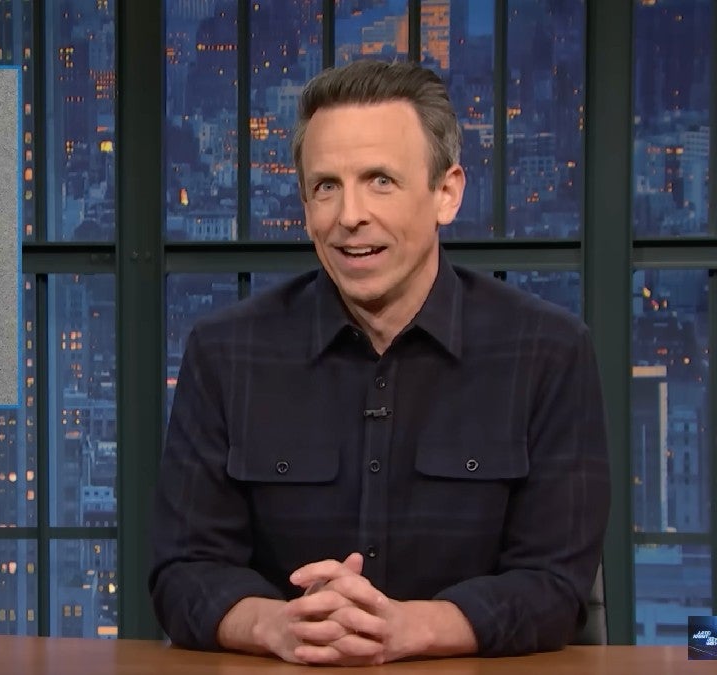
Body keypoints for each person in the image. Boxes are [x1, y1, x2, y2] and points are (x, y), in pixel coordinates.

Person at [148, 60, 610, 666]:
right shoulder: (224, 353)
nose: (349, 216)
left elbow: (554, 585)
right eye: (326, 186)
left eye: (380, 181)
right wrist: (279, 626)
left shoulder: (549, 351)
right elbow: (183, 569)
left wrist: (407, 628)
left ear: (446, 193)